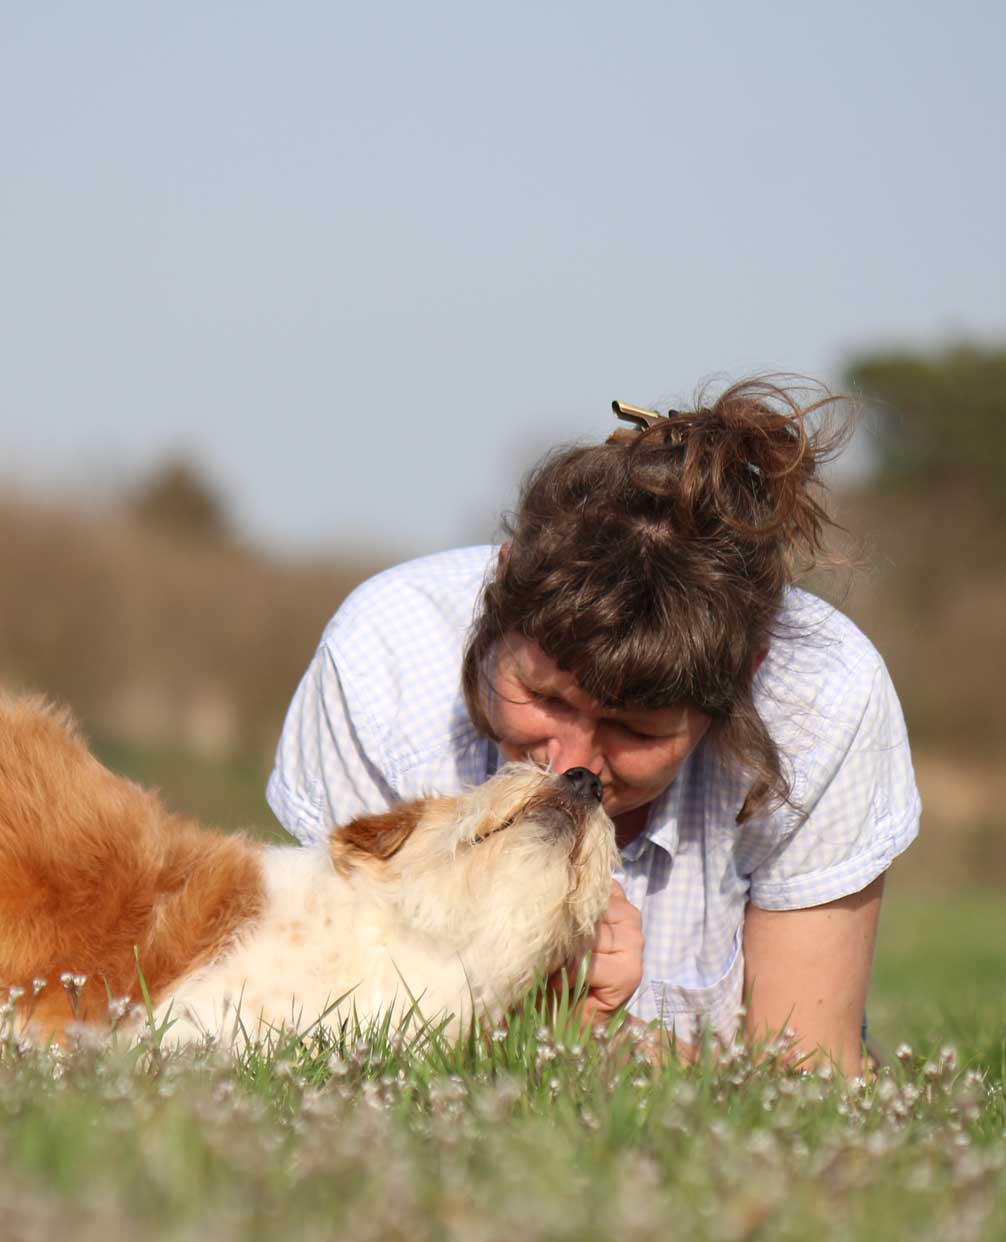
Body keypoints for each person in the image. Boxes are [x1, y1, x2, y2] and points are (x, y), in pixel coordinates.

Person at [266, 377, 919, 1072]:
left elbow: (807, 1079)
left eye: (635, 732)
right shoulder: (382, 662)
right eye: (545, 696)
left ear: (747, 674)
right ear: (501, 583)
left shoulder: (827, 698)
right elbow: (336, 1024)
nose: (568, 762)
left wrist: (592, 1038)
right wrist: (547, 1019)